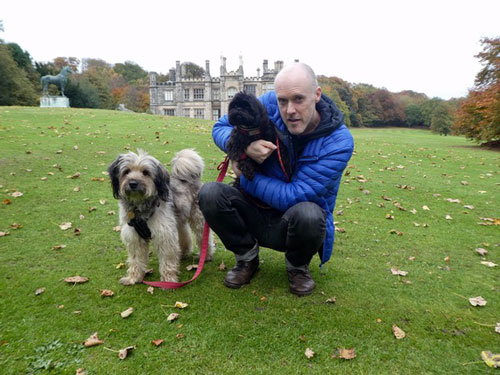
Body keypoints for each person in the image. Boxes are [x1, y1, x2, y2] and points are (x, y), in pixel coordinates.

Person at [198, 63, 354, 296]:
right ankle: (246, 258)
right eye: (283, 101)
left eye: (299, 99)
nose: (289, 109)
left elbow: (295, 196)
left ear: (317, 95)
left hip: (294, 223)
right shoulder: (269, 103)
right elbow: (220, 126)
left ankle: (297, 267)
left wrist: (244, 176)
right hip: (252, 210)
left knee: (310, 214)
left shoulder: (339, 141)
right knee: (209, 193)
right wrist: (245, 148)